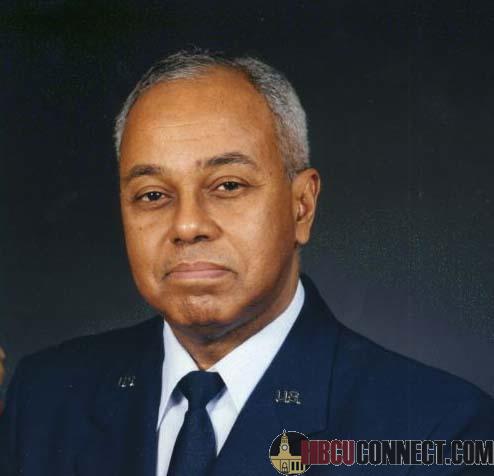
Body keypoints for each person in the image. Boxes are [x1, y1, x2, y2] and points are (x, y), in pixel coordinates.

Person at [0, 50, 493, 476]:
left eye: (228, 186)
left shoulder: (439, 430)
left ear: (302, 206)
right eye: (152, 194)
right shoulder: (44, 399)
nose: (187, 225)